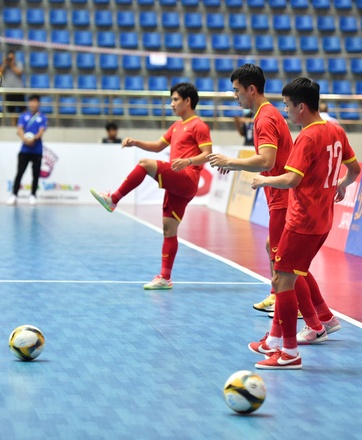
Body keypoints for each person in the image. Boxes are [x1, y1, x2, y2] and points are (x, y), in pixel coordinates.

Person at [206, 64, 342, 346]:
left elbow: (266, 161)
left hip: (283, 199)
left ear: (251, 89)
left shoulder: (265, 118)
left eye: (236, 91)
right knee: (287, 262)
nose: (235, 97)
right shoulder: (266, 115)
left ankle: (308, 329)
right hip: (280, 199)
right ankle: (324, 317)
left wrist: (230, 162)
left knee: (287, 270)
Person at [249, 77, 361, 369]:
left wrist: (264, 180)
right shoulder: (335, 130)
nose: (286, 112)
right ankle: (278, 340)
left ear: (302, 106)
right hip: (323, 220)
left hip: (302, 220)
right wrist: (342, 185)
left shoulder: (308, 137)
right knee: (289, 276)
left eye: (287, 106)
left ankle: (289, 352)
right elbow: (355, 168)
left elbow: (291, 179)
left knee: (282, 281)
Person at [89, 83, 212, 290]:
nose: (172, 104)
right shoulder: (176, 126)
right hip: (178, 182)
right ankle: (165, 278)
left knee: (145, 164)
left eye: (175, 99)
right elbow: (158, 146)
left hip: (187, 177)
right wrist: (135, 142)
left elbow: (207, 153)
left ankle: (114, 199)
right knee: (168, 228)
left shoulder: (199, 125)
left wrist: (189, 162)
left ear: (187, 101)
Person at [6, 94, 47, 206]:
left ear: (38, 103)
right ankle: (14, 195)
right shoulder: (23, 116)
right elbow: (19, 129)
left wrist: (34, 138)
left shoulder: (42, 117)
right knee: (19, 173)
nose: (33, 104)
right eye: (31, 101)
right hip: (24, 150)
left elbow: (41, 131)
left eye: (35, 101)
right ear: (29, 103)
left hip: (37, 150)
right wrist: (25, 139)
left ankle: (33, 195)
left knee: (35, 174)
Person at [0, 50, 26, 125]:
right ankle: (13, 126)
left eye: (12, 58)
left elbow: (19, 72)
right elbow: (0, 73)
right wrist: (5, 64)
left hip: (19, 90)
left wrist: (12, 65)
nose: (10, 60)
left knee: (23, 109)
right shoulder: (4, 65)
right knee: (12, 111)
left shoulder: (19, 64)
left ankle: (26, 124)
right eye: (9, 58)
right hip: (9, 91)